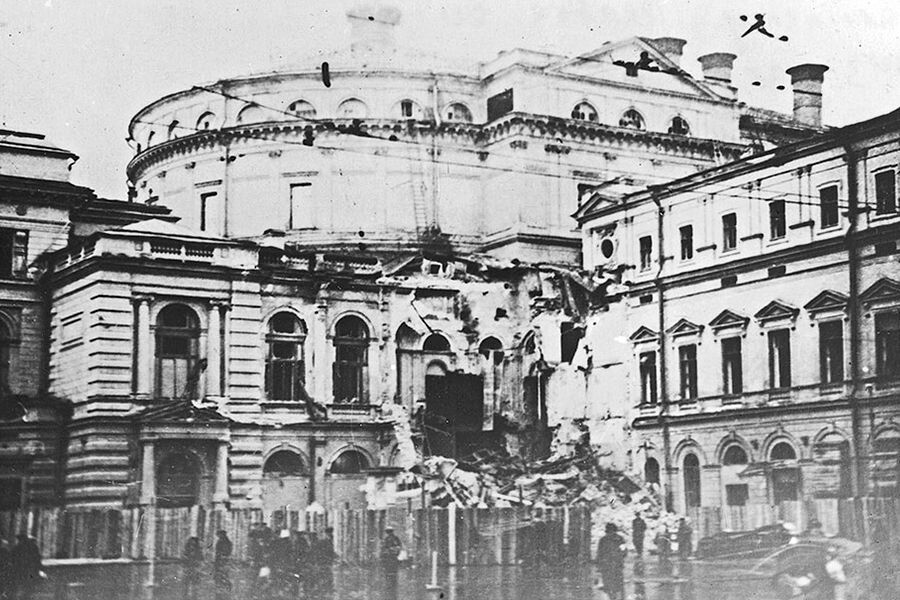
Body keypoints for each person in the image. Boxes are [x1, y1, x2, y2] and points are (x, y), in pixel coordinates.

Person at [595, 523, 626, 600]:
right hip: (616, 565)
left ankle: (612, 597)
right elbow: (624, 551)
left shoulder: (603, 540)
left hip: (607, 566)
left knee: (608, 585)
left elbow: (599, 553)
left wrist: (598, 565)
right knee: (618, 585)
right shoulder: (620, 539)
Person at [10, 534, 43, 600]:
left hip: (21, 571)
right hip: (29, 571)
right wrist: (39, 568)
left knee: (22, 587)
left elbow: (12, 559)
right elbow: (38, 559)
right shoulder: (33, 547)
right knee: (28, 587)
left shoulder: (17, 548)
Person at [380, 527, 403, 599]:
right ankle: (390, 584)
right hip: (389, 557)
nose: (389, 533)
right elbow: (384, 548)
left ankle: (391, 585)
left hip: (392, 557)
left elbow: (398, 547)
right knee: (389, 571)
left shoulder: (395, 538)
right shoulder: (387, 539)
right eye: (388, 532)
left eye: (390, 532)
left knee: (392, 571)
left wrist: (392, 551)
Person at [214, 530, 233, 599]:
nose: (218, 536)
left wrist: (223, 557)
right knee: (221, 576)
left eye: (219, 535)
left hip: (223, 562)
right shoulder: (221, 541)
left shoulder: (225, 542)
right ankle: (222, 590)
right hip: (220, 562)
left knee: (223, 576)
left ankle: (224, 591)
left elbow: (226, 552)